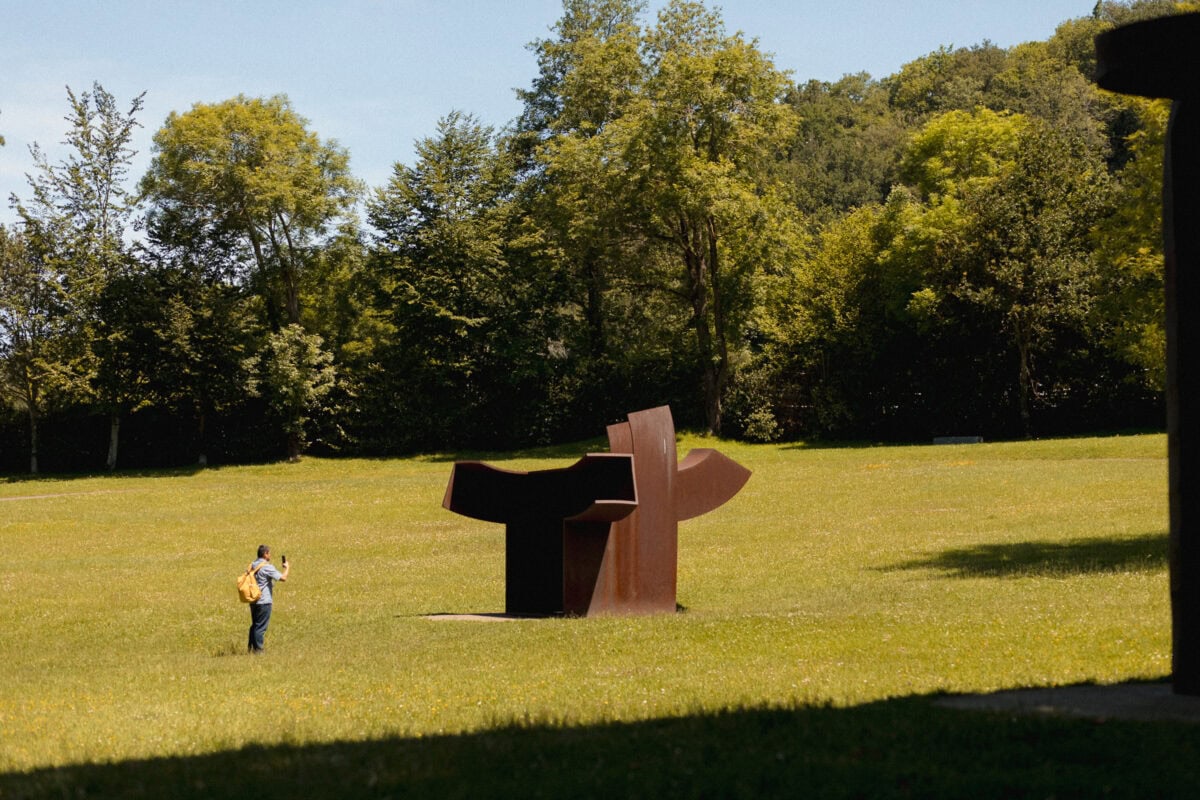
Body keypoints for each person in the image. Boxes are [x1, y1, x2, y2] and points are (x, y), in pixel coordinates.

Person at [247, 544, 290, 653]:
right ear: (265, 554)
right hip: (264, 601)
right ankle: (259, 651)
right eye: (269, 553)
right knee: (260, 627)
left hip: (253, 600)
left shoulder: (252, 565)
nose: (270, 555)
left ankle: (251, 648)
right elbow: (283, 578)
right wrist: (287, 568)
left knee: (255, 625)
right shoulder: (266, 566)